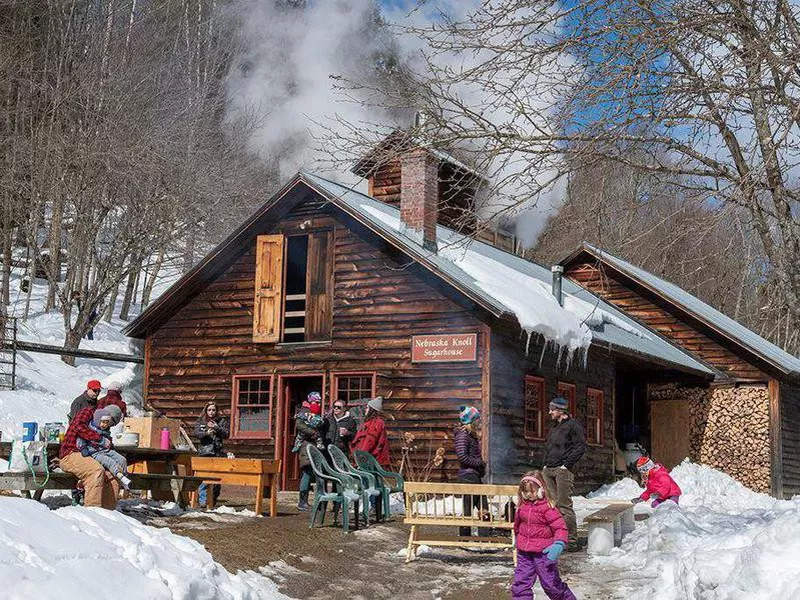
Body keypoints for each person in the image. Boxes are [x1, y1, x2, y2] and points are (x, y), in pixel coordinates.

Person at [511, 472, 577, 600]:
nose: (529, 495)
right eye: (525, 492)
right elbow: (517, 526)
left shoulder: (548, 508)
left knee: (551, 585)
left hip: (544, 553)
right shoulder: (521, 507)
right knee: (520, 585)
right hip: (525, 554)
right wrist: (518, 539)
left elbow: (560, 528)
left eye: (532, 491)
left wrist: (558, 544)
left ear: (541, 490)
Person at [541, 396, 587, 552]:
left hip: (562, 471)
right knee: (552, 506)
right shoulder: (554, 427)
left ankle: (572, 540)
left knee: (564, 505)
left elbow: (580, 447)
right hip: (549, 470)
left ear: (560, 410)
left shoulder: (573, 426)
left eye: (551, 409)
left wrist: (566, 466)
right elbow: (550, 448)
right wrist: (545, 465)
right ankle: (557, 538)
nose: (549, 412)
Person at [59, 405, 120, 509]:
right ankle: (93, 512)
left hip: (91, 457)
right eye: (110, 421)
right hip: (71, 453)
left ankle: (109, 514)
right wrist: (99, 439)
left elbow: (107, 446)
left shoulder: (103, 428)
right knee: (96, 471)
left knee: (112, 475)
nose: (108, 425)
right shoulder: (88, 411)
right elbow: (79, 426)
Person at [77, 408, 132, 489]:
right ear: (97, 420)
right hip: (94, 452)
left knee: (122, 460)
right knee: (110, 462)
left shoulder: (105, 430)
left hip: (106, 450)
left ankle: (124, 477)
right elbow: (80, 438)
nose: (105, 425)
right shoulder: (90, 429)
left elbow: (108, 440)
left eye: (107, 423)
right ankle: (121, 477)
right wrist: (83, 448)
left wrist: (110, 444)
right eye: (103, 422)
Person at [454, 405, 486, 537]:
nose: (479, 421)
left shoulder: (470, 436)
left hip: (474, 475)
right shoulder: (463, 436)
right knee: (468, 507)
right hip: (468, 475)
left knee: (483, 507)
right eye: (477, 419)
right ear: (471, 421)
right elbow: (462, 456)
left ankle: (485, 538)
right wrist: (479, 462)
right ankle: (465, 537)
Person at [194, 402, 229, 508]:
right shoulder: (201, 421)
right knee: (204, 478)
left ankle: (213, 499)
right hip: (205, 452)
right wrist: (206, 433)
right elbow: (197, 434)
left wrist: (217, 428)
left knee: (217, 479)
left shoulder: (221, 421)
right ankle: (203, 500)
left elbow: (226, 434)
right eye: (209, 410)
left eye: (213, 410)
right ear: (206, 411)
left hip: (217, 452)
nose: (211, 412)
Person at [294, 392, 324, 512]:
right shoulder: (303, 412)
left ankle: (319, 500)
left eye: (318, 402)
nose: (318, 404)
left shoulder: (316, 412)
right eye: (316, 401)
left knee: (316, 472)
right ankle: (302, 501)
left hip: (314, 445)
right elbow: (299, 426)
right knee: (307, 471)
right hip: (306, 444)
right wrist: (313, 433)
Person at [352, 396, 390, 468]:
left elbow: (370, 441)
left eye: (367, 408)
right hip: (366, 458)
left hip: (370, 459)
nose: (365, 410)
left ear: (372, 410)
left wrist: (361, 456)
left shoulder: (376, 423)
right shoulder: (370, 422)